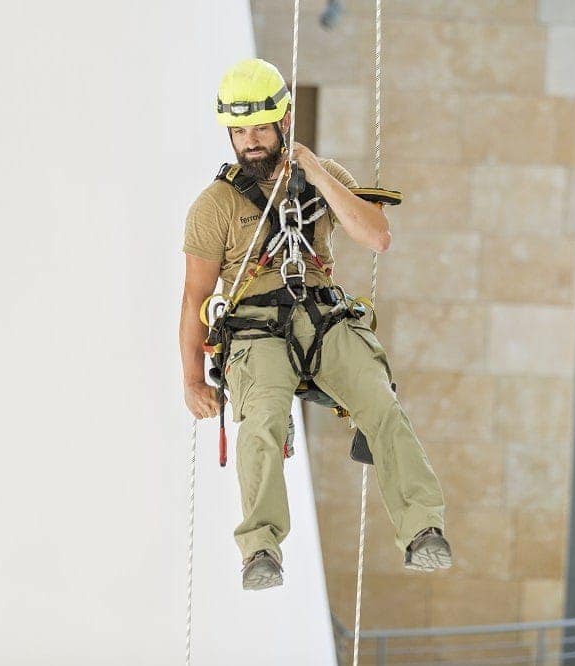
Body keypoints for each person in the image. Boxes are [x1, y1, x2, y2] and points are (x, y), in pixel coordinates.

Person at [178, 58, 450, 590]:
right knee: (261, 424)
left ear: (283, 122)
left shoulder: (323, 180)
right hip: (255, 330)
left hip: (323, 318)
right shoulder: (214, 206)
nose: (250, 141)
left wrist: (317, 174)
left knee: (383, 407)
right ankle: (260, 548)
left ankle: (422, 529)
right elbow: (195, 298)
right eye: (239, 131)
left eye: (260, 126)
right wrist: (191, 377)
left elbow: (377, 237)